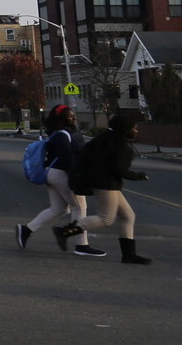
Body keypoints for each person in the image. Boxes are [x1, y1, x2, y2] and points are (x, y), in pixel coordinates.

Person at [73, 111, 151, 264]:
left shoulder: (106, 138)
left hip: (106, 183)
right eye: (134, 128)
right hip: (106, 185)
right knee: (106, 218)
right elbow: (120, 170)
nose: (136, 131)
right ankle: (66, 230)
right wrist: (140, 176)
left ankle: (129, 255)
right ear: (126, 129)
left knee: (128, 216)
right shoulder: (119, 144)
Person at [17, 105, 87, 252]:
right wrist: (78, 176)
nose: (74, 118)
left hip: (51, 173)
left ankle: (26, 230)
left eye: (74, 115)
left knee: (58, 209)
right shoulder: (62, 135)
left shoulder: (59, 133)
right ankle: (81, 245)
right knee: (79, 208)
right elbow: (67, 158)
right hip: (60, 173)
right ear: (61, 119)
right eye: (69, 116)